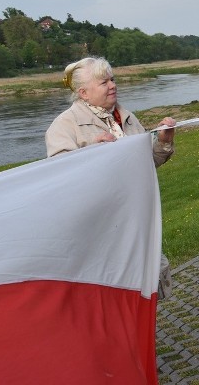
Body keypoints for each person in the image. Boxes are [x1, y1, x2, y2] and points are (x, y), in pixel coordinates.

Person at [45, 56, 177, 297]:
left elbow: (147, 163)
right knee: (113, 293)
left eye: (112, 79)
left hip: (136, 220)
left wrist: (163, 142)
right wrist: (94, 151)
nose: (112, 85)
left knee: (145, 293)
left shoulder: (126, 118)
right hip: (99, 229)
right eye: (104, 82)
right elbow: (60, 177)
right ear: (83, 93)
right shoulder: (64, 125)